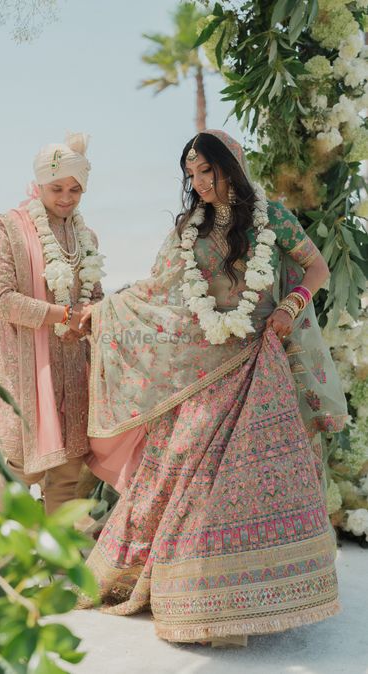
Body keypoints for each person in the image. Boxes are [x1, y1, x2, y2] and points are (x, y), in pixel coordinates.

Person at [78, 130, 347, 646]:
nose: (199, 183)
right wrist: (106, 310)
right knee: (187, 474)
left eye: (208, 171)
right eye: (192, 174)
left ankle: (262, 595)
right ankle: (193, 593)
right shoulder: (187, 230)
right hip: (202, 367)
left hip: (260, 362)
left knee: (264, 476)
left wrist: (290, 305)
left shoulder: (274, 218)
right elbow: (158, 289)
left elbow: (317, 267)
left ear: (232, 167)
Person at [0, 131, 104, 513]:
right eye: (57, 189)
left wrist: (94, 313)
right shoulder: (8, 230)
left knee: (67, 479)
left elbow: (95, 295)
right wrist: (62, 315)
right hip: (25, 374)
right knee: (17, 474)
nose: (66, 198)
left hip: (73, 372)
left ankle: (61, 569)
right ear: (39, 184)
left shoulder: (86, 238)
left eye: (75, 190)